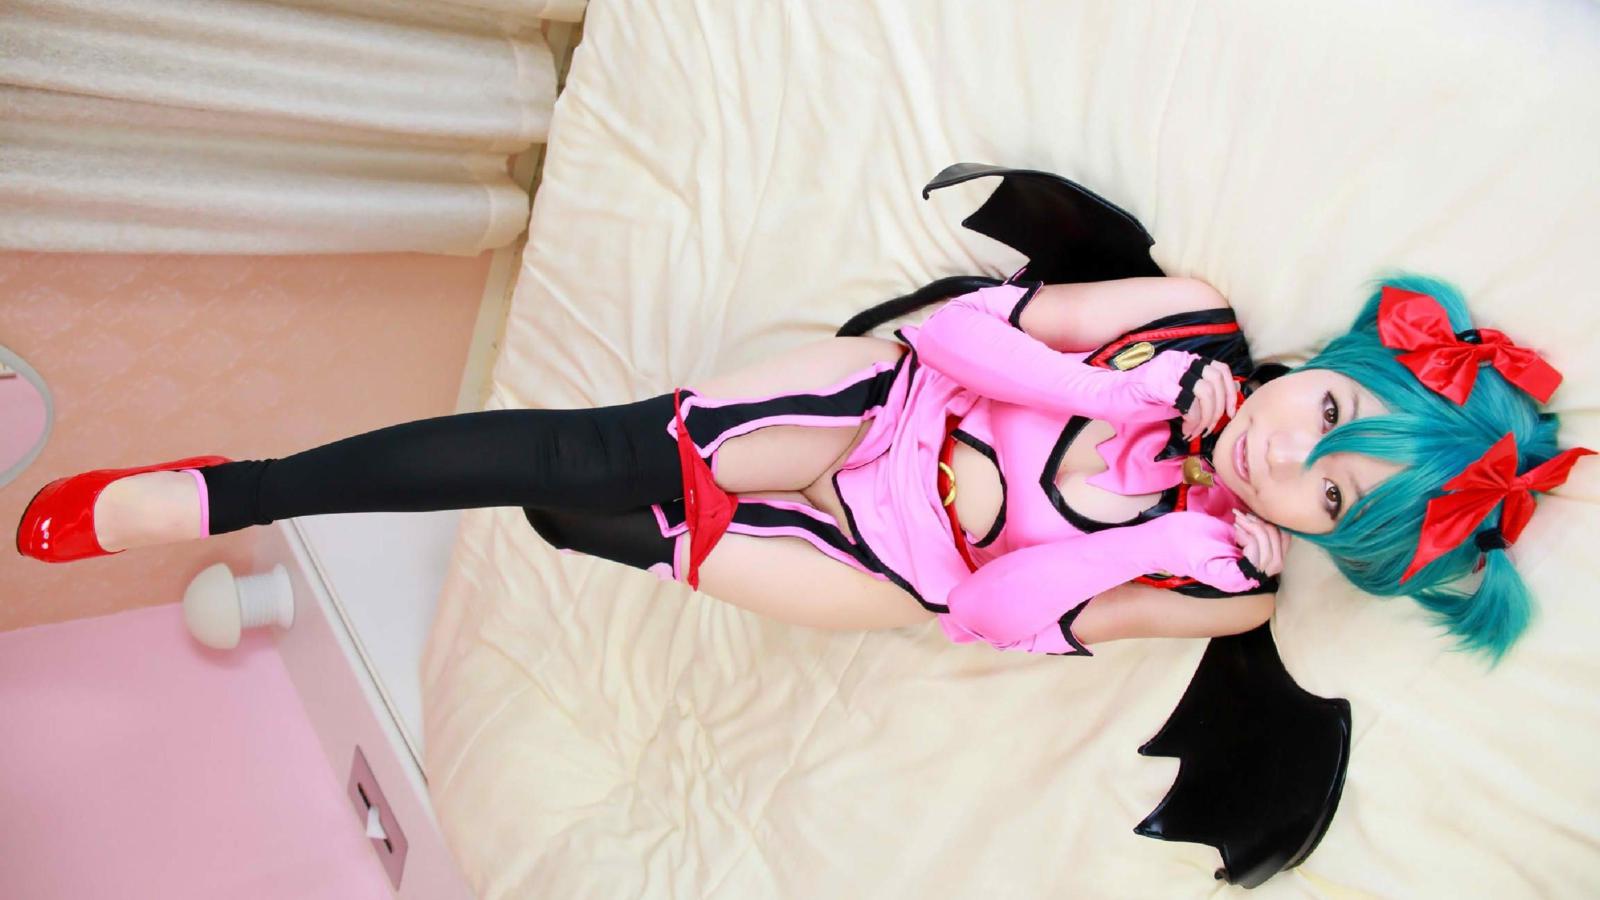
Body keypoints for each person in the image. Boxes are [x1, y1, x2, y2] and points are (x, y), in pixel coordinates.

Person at [16, 271, 1588, 664]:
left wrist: (1142, 537)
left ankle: (638, 535)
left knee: (611, 524)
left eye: (1330, 497)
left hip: (896, 568)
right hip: (879, 413)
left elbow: (993, 616)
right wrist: (1124, 396)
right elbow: (956, 332)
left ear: (1332, 540)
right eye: (1328, 415)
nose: (1284, 455)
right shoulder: (1186, 325)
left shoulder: (1225, 584)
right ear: (1337, 358)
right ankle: (240, 489)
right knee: (587, 454)